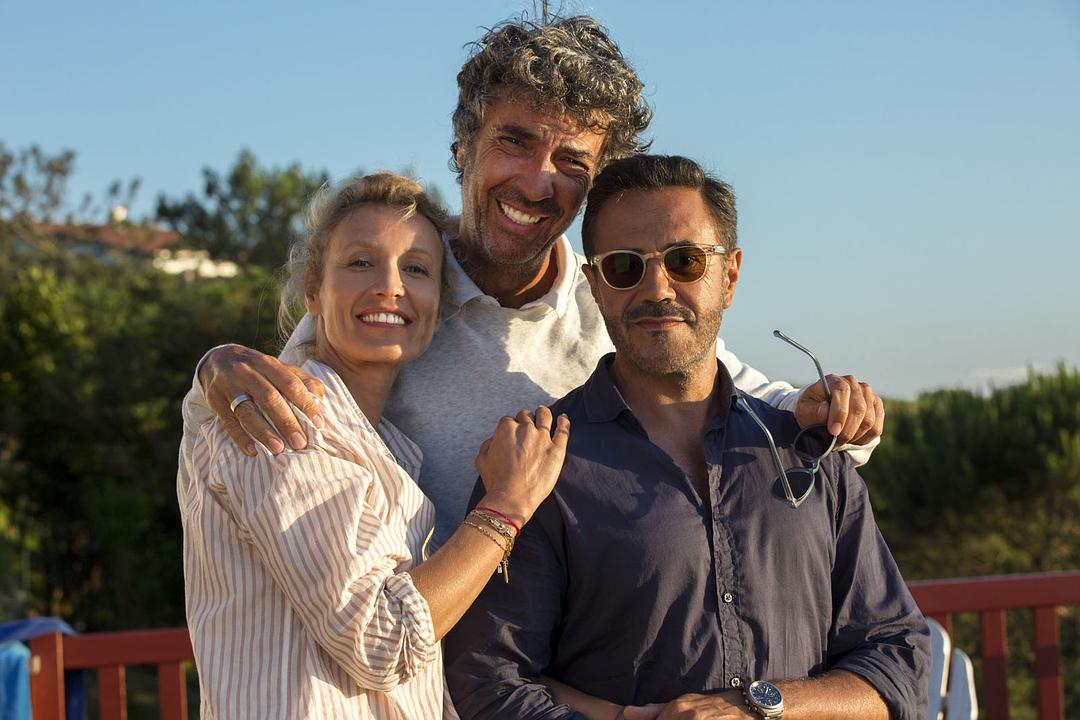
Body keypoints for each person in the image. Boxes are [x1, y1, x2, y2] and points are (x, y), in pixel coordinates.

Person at [183, 15, 885, 552]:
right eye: (515, 141)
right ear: (464, 146)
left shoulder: (614, 301)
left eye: (572, 161)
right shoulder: (394, 299)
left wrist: (833, 410)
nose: (537, 181)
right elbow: (264, 413)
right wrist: (214, 369)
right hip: (405, 669)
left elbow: (753, 400)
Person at [444, 156, 930, 720]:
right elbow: (490, 683)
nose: (658, 288)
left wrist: (759, 707)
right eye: (625, 266)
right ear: (595, 286)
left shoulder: (812, 456)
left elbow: (899, 660)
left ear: (730, 275)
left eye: (685, 261)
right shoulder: (538, 467)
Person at [178, 173, 571, 718]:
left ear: (438, 304)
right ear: (313, 291)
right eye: (361, 262)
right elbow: (384, 641)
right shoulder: (281, 423)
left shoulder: (387, 447)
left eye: (416, 269)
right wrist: (506, 506)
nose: (390, 286)